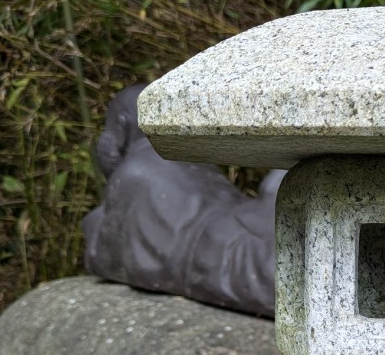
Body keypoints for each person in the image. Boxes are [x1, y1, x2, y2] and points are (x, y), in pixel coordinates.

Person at [83, 85, 283, 318]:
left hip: (216, 259)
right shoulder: (192, 161)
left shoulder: (136, 172)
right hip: (234, 241)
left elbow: (102, 254)